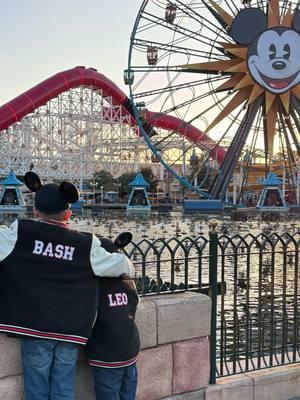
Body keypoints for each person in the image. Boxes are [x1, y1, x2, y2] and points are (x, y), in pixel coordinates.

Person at [0, 172, 134, 400]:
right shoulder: (86, 244)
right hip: (71, 331)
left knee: (36, 389)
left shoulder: (19, 233)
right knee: (63, 389)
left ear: (35, 211)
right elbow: (124, 266)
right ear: (68, 214)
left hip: (34, 328)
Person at [85, 238, 140, 400]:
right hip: (129, 350)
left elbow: (89, 319)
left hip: (105, 354)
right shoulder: (128, 282)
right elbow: (135, 305)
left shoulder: (94, 286)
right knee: (128, 393)